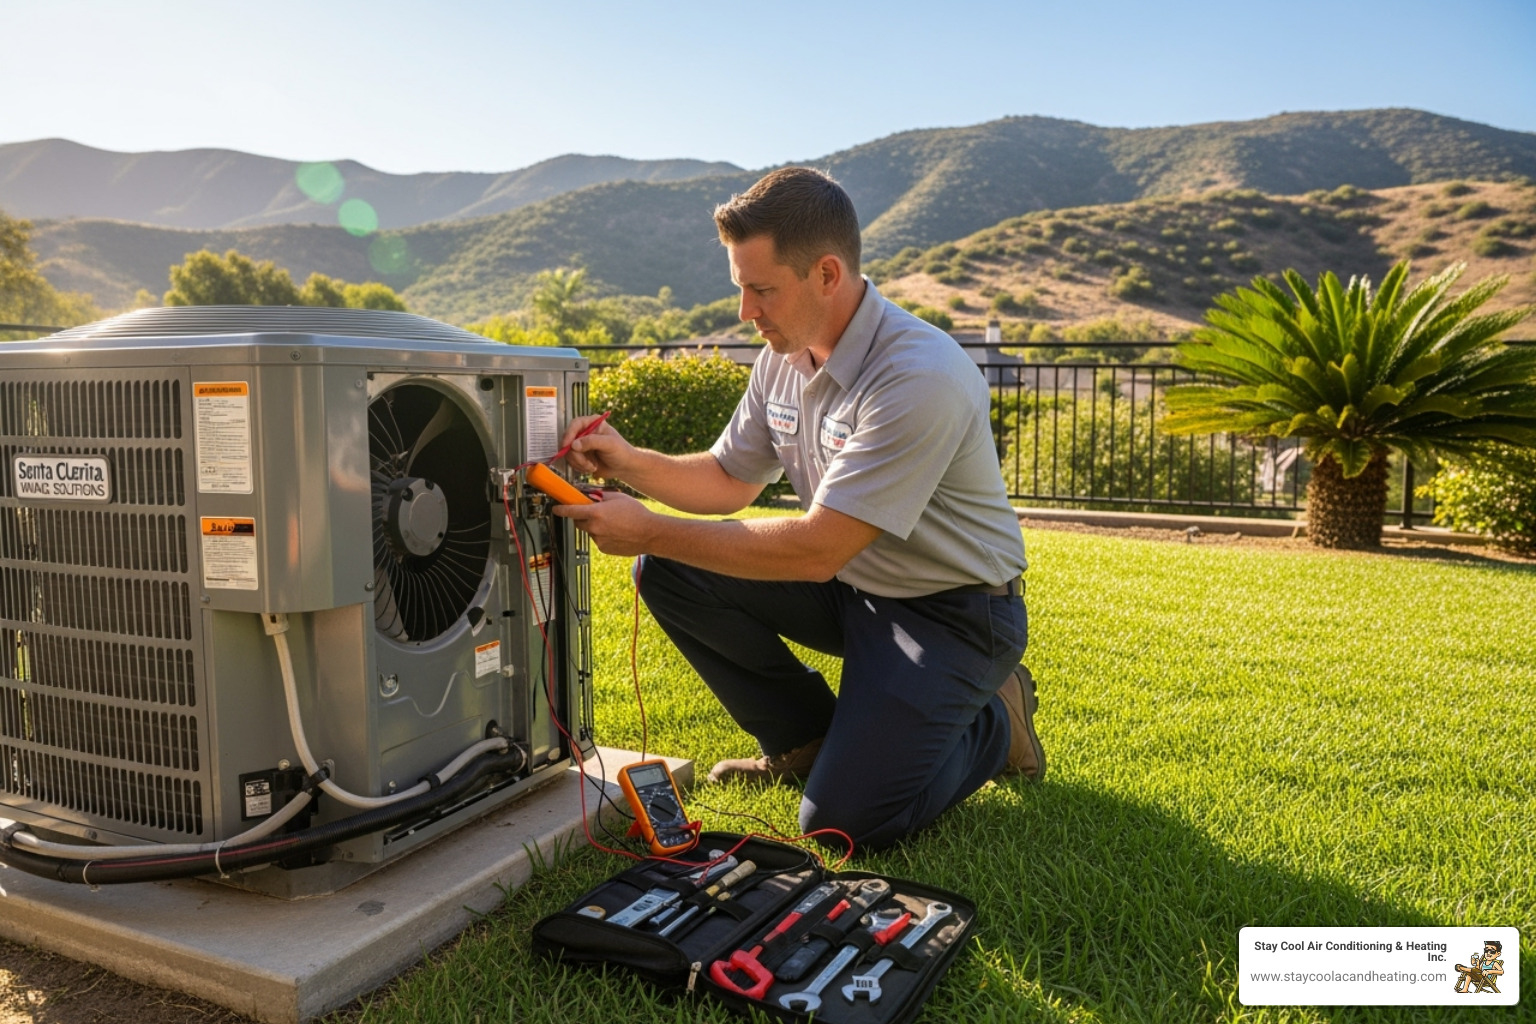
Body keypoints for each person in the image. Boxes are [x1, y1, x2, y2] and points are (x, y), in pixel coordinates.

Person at [553, 167, 1041, 850]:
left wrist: (651, 529)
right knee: (668, 572)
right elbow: (728, 477)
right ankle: (806, 741)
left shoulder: (916, 376)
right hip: (854, 589)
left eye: (761, 290)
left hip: (953, 613)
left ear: (828, 274)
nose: (746, 312)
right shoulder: (782, 358)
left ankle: (990, 720)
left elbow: (816, 548)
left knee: (841, 825)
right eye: (740, 288)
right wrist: (628, 461)